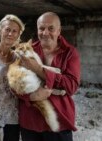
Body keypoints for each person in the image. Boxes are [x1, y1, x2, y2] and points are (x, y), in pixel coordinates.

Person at [19, 12, 81, 141]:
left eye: (51, 28)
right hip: (31, 120)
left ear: (59, 30)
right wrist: (31, 96)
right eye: (41, 28)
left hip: (59, 121)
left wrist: (37, 69)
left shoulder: (70, 52)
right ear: (37, 30)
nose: (45, 33)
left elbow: (71, 86)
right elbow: (14, 84)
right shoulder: (26, 50)